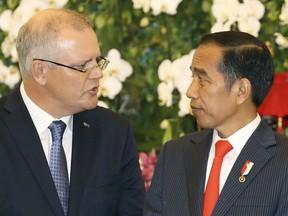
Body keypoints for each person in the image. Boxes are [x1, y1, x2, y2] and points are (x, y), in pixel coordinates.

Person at [0, 8, 145, 216]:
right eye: (83, 66)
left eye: (97, 61)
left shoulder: (114, 132)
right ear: (40, 71)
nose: (98, 73)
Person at [143, 31, 288, 216]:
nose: (190, 91)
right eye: (192, 77)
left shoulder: (283, 162)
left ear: (241, 90)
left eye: (202, 80)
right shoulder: (174, 154)